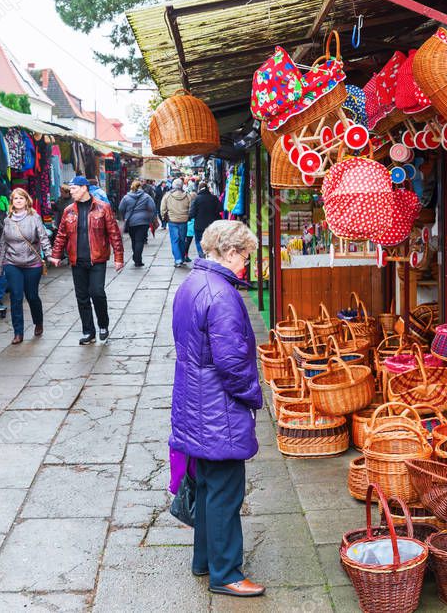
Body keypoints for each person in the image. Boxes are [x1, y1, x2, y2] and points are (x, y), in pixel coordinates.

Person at [169, 221, 264, 598]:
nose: (246, 263)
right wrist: (254, 395)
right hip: (218, 408)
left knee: (208, 484)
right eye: (245, 255)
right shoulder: (222, 295)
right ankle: (226, 573)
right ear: (229, 252)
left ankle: (205, 560)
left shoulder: (191, 283)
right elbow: (232, 362)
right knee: (226, 491)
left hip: (194, 402)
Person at [48, 176, 124, 344]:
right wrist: (56, 254)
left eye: (74, 188)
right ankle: (88, 331)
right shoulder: (69, 210)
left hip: (97, 259)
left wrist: (119, 257)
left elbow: (114, 233)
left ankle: (103, 325)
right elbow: (61, 234)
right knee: (81, 297)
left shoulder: (103, 208)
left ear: (84, 188)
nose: (71, 192)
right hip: (77, 260)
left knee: (97, 293)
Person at [0, 188, 52, 344]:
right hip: (12, 263)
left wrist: (49, 255)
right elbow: (3, 244)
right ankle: (18, 332)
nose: (18, 201)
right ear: (12, 202)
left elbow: (43, 238)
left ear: (27, 200)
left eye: (21, 198)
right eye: (15, 198)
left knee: (32, 296)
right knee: (16, 296)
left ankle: (38, 321)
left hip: (32, 263)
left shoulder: (34, 217)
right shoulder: (7, 220)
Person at [118, 179, 157, 267]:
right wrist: (150, 216)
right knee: (140, 241)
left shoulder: (126, 197)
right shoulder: (146, 197)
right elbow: (153, 207)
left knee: (134, 240)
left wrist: (125, 216)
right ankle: (137, 260)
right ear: (140, 187)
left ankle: (136, 257)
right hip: (143, 221)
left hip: (131, 221)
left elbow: (120, 208)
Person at [161, 177, 193, 267]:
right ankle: (182, 258)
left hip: (172, 220)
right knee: (182, 240)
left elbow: (163, 208)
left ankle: (178, 259)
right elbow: (191, 207)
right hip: (184, 221)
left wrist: (164, 217)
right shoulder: (187, 195)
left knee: (175, 240)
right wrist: (188, 216)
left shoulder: (168, 195)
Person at [189, 185, 224, 258]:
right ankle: (211, 256)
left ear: (199, 189)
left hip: (199, 225)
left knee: (199, 241)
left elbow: (192, 213)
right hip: (212, 225)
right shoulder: (214, 198)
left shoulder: (197, 199)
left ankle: (202, 256)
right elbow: (220, 208)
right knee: (212, 241)